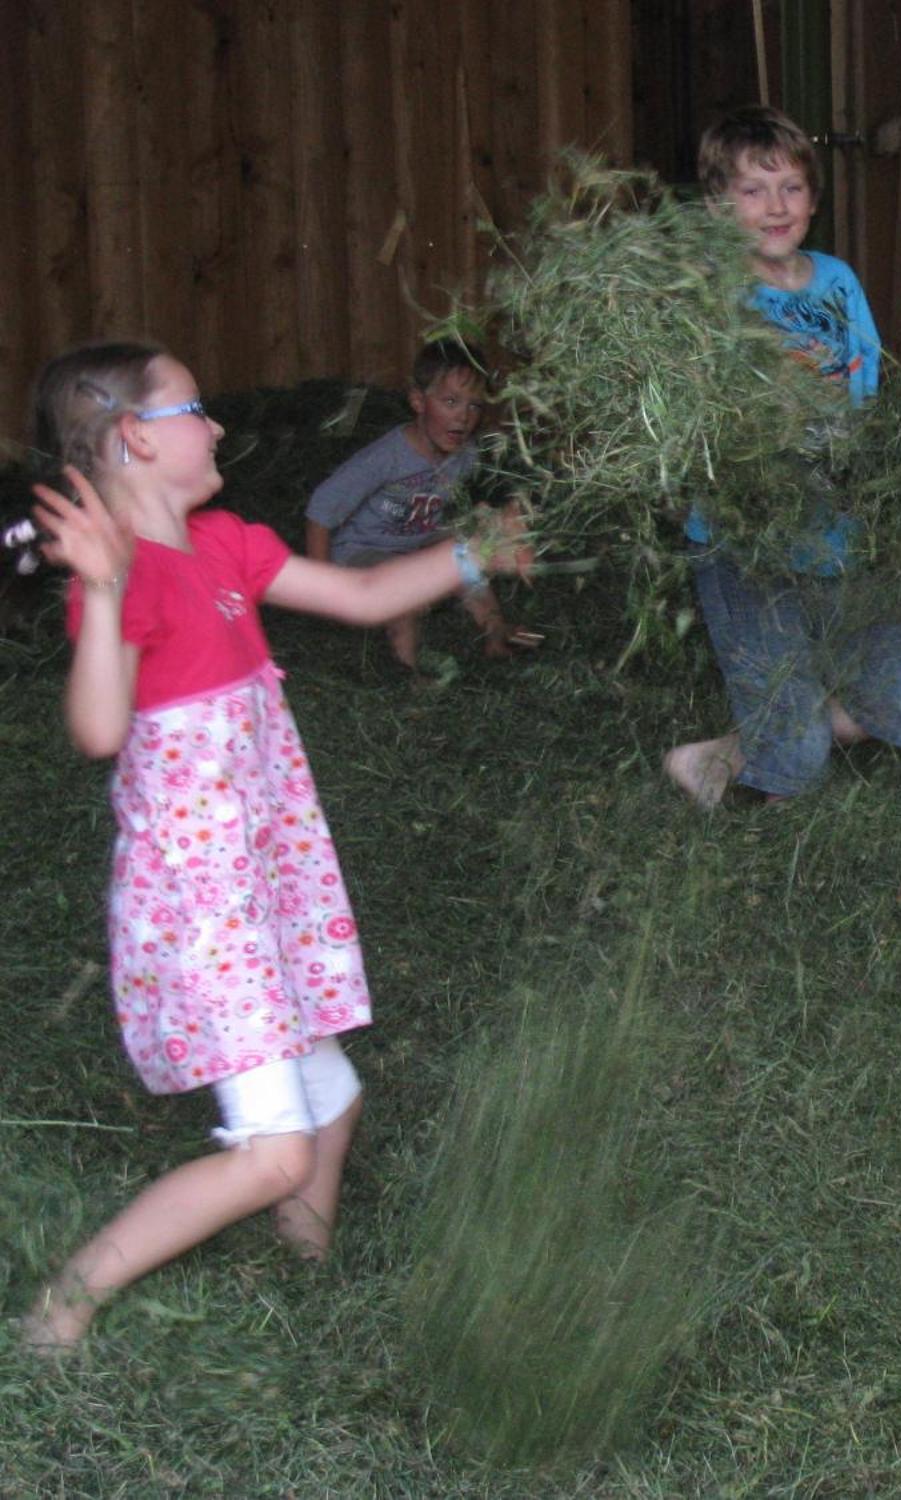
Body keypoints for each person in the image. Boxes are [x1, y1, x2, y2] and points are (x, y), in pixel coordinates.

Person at [16, 340, 531, 1352]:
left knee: (332, 1094)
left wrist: (480, 551)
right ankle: (66, 1302)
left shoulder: (226, 545)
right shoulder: (126, 578)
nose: (215, 427)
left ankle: (305, 1273)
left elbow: (368, 597)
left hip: (264, 874)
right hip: (203, 897)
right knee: (273, 1152)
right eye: (194, 410)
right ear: (135, 437)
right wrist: (106, 592)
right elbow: (97, 731)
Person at [664, 104, 901, 807]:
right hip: (743, 536)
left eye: (789, 188)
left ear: (813, 198)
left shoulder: (836, 281)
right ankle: (769, 764)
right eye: (753, 191)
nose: (775, 207)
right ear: (721, 207)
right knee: (801, 759)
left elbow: (865, 386)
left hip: (834, 530)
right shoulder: (714, 295)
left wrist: (862, 463)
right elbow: (698, 409)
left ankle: (752, 742)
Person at [304, 337, 534, 669]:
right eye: (451, 401)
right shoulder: (387, 457)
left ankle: (495, 631)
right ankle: (408, 674)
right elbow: (321, 509)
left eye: (474, 405)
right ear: (418, 400)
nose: (464, 417)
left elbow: (473, 506)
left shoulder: (466, 455)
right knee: (401, 589)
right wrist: (321, 590)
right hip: (362, 551)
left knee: (466, 551)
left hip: (414, 543)